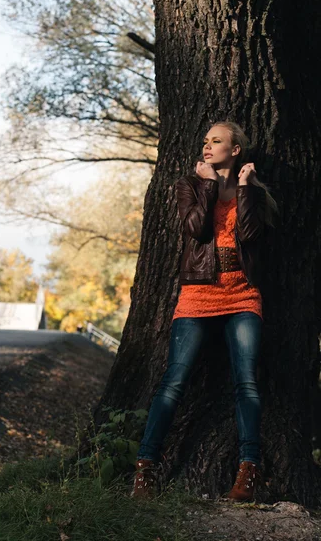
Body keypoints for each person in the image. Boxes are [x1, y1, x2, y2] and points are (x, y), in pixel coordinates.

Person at [131, 121, 278, 501]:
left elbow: (247, 235)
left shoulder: (253, 192)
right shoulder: (189, 186)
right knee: (173, 381)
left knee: (246, 382)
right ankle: (145, 467)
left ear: (235, 150)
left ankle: (249, 470)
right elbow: (196, 229)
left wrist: (244, 188)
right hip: (198, 294)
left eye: (216, 141)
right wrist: (210, 184)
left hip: (243, 295)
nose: (207, 146)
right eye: (205, 141)